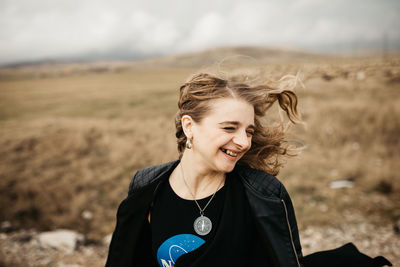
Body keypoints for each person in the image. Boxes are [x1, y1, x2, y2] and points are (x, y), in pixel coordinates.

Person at [105, 72, 392, 267]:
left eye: (249, 131)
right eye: (230, 128)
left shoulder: (263, 194)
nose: (243, 142)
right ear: (189, 126)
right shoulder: (146, 188)